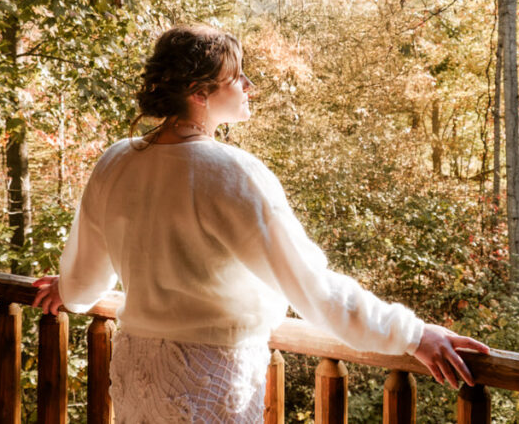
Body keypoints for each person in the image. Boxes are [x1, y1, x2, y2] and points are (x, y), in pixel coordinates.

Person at [32, 24, 488, 422]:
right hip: (208, 376)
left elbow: (87, 279)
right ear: (200, 93)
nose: (249, 85)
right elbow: (312, 287)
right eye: (236, 78)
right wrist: (411, 334)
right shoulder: (230, 173)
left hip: (137, 368)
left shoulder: (116, 161)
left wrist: (67, 293)